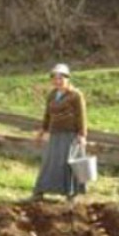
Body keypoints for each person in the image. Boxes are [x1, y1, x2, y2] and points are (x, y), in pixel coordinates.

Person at [31, 63, 87, 202]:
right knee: (49, 163)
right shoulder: (52, 95)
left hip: (70, 134)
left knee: (68, 163)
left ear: (67, 79)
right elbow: (47, 115)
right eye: (55, 78)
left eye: (61, 78)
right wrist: (42, 130)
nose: (57, 81)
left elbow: (82, 116)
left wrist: (82, 135)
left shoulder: (75, 95)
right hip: (55, 134)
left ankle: (71, 194)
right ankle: (40, 191)